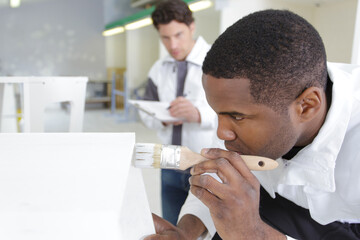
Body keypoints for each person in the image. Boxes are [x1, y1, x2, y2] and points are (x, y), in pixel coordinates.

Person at [145, 9, 360, 240]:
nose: (221, 132)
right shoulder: (254, 110)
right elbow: (220, 176)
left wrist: (254, 234)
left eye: (237, 117)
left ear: (306, 106)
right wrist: (186, 232)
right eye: (218, 114)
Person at [139, 0, 217, 226]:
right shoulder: (158, 69)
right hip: (170, 163)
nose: (172, 44)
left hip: (206, 163)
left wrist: (199, 115)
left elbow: (238, 114)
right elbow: (145, 112)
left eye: (178, 35)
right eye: (165, 37)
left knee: (209, 229)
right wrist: (161, 118)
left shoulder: (218, 62)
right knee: (172, 228)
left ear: (192, 26)